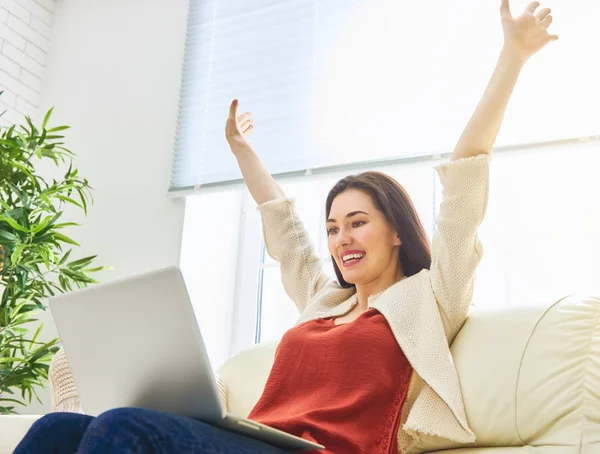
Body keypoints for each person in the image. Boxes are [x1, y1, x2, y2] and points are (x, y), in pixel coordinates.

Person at [14, 1, 558, 452]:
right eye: (333, 228)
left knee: (120, 428)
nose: (341, 237)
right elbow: (285, 230)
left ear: (396, 230)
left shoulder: (430, 298)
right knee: (56, 429)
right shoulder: (324, 300)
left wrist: (511, 58)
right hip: (256, 438)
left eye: (357, 222)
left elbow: (463, 191)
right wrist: (242, 150)